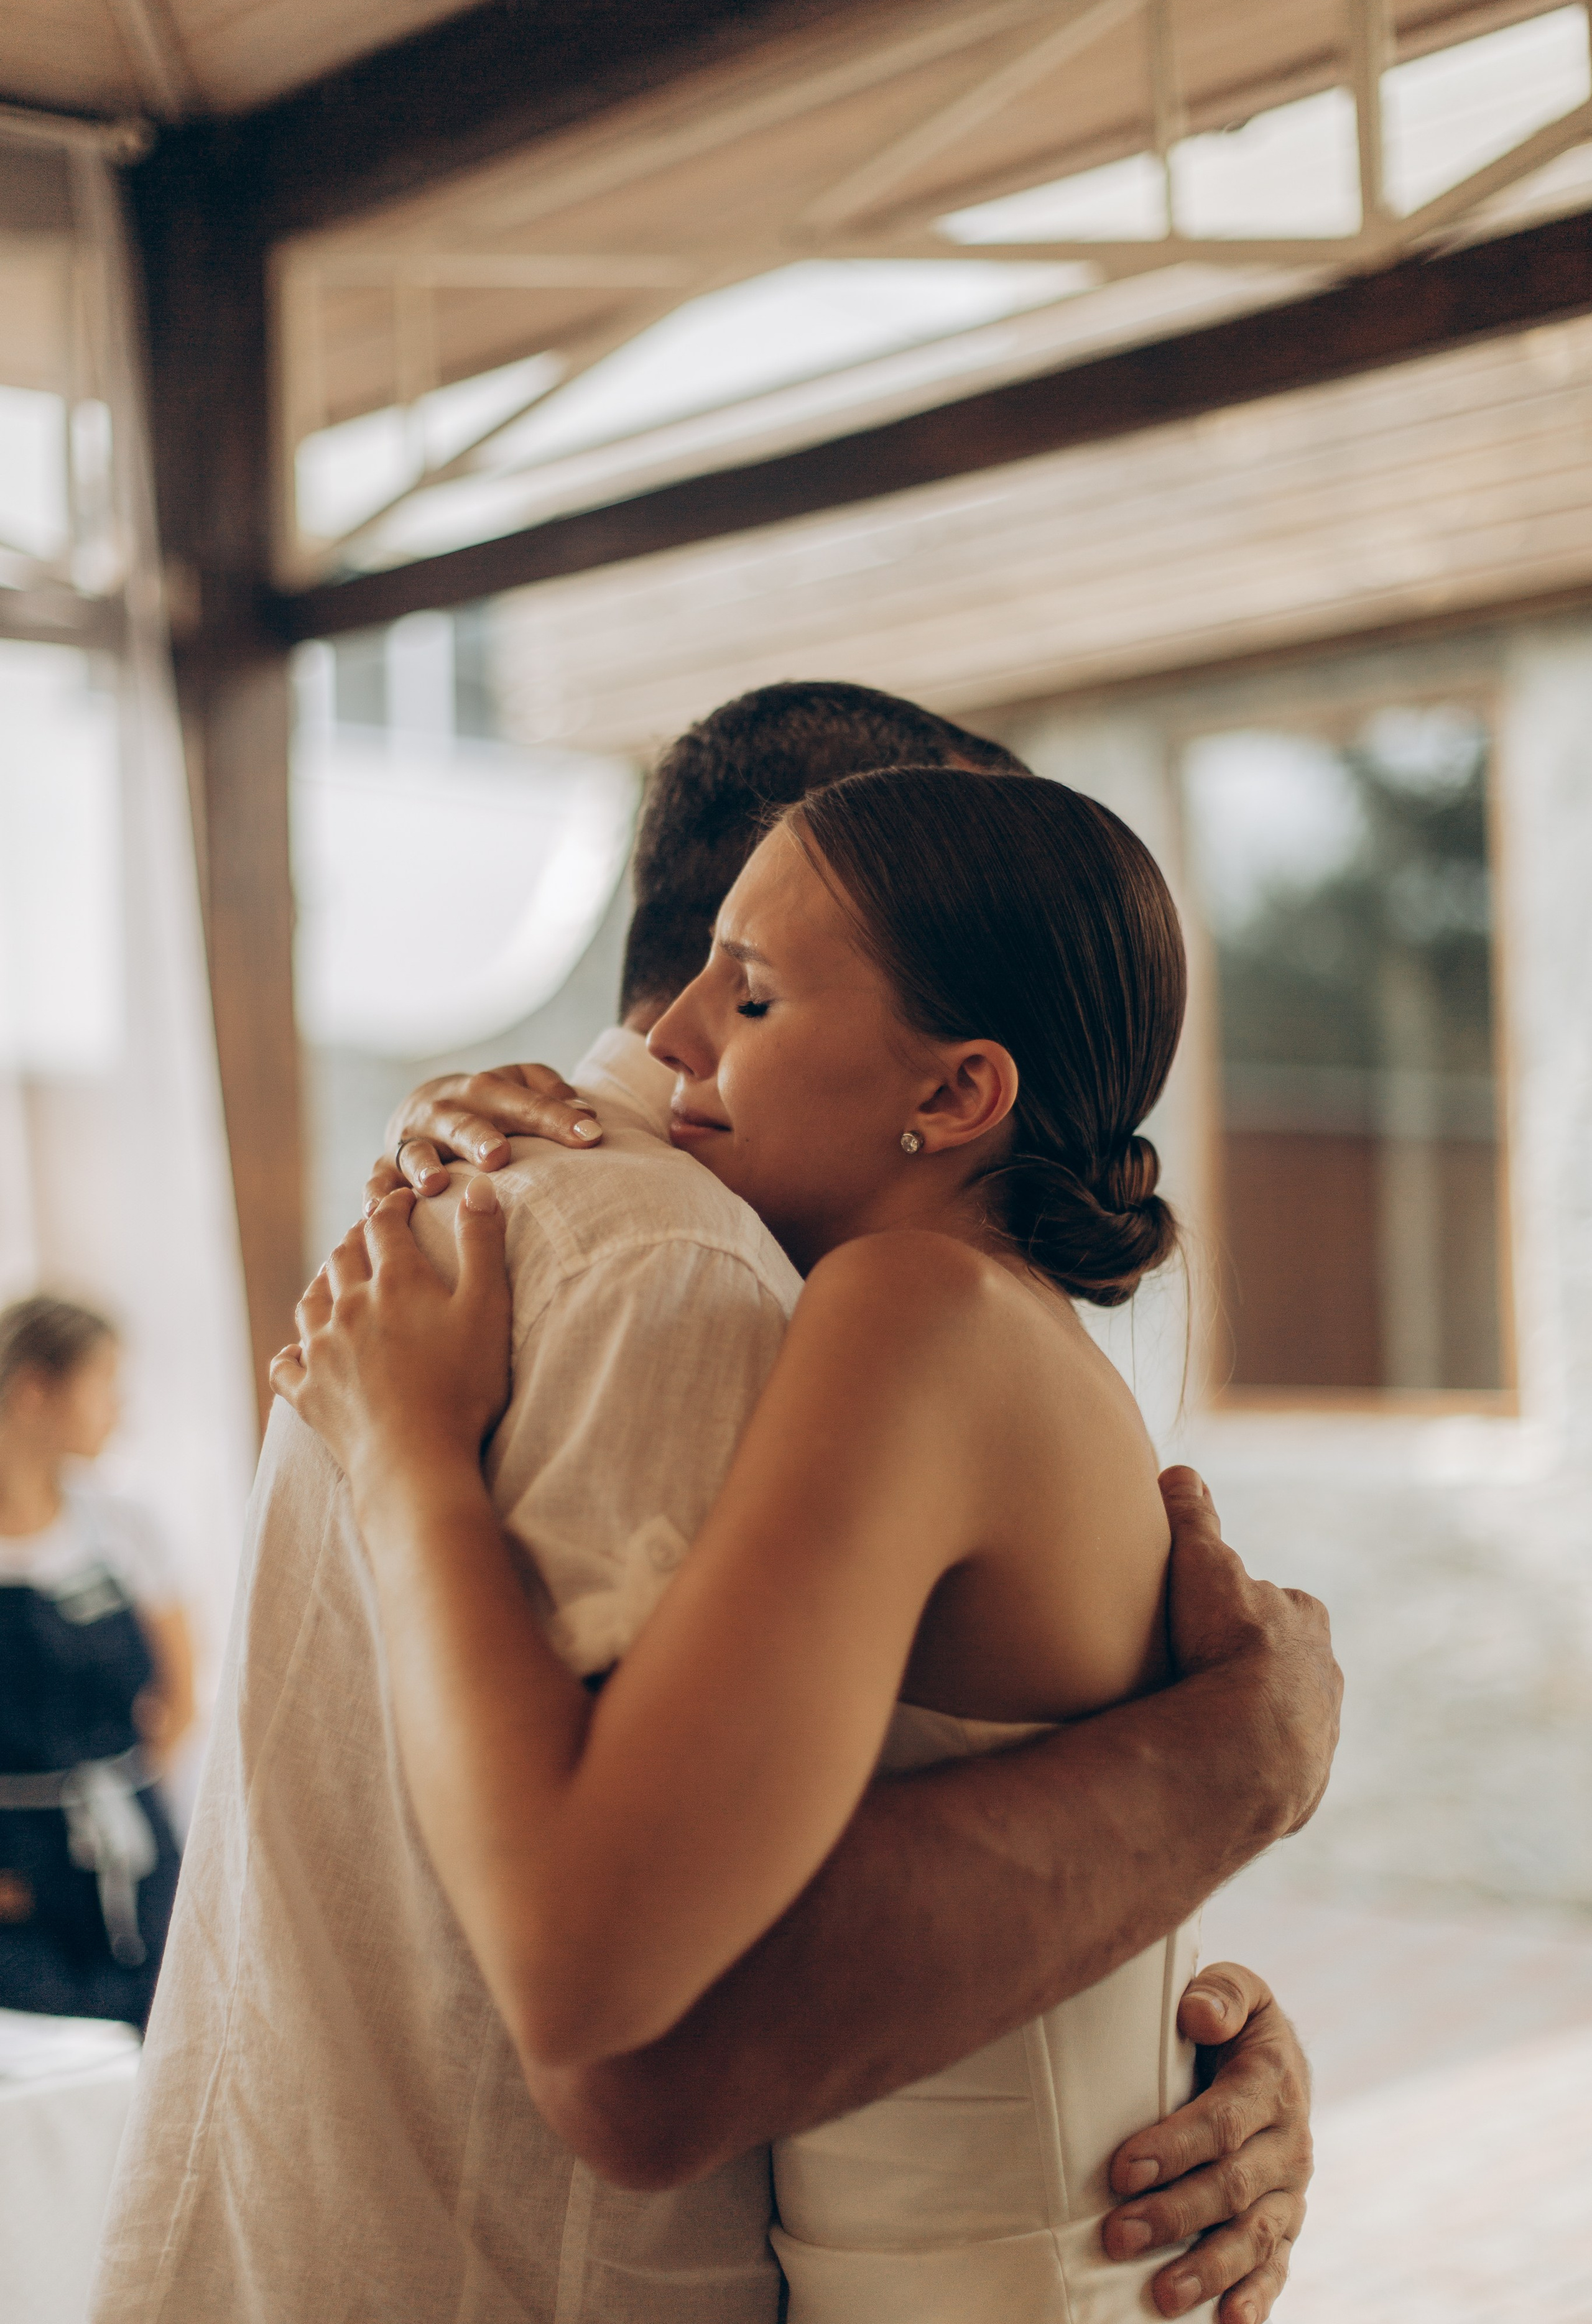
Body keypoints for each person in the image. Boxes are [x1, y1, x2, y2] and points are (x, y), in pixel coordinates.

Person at [94, 686, 1336, 2324]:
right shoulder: (673, 1258)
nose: (694, 1033)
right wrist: (1237, 1770)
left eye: (755, 995)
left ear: (961, 1085)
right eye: (726, 983)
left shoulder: (731, 1270)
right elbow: (642, 2049)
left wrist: (1172, 1986)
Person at [0, 1296, 193, 2030]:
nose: (121, 1408)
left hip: (137, 1852)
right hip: (15, 1879)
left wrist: (132, 1802)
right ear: (35, 1392)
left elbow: (179, 1696)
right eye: (105, 1383)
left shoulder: (124, 1525)